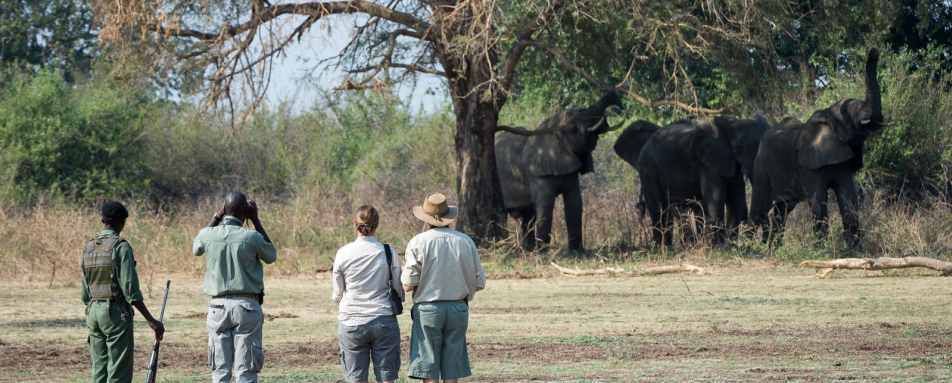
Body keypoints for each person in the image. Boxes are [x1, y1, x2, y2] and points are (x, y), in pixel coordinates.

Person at [193, 192, 277, 383]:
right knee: (246, 371)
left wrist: (215, 217)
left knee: (220, 371)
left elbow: (196, 247)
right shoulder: (252, 237)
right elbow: (271, 255)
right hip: (246, 306)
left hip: (217, 308)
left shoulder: (208, 234)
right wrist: (255, 219)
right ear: (244, 212)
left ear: (224, 210)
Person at [402, 193, 486, 382]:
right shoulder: (465, 241)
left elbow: (408, 284)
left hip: (428, 309)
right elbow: (479, 282)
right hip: (458, 308)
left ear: (426, 219)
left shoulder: (417, 242)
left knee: (428, 365)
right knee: (452, 366)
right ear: (448, 217)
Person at [82, 200, 165, 383]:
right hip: (115, 314)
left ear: (103, 220)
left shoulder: (89, 247)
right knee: (118, 372)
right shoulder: (121, 247)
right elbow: (131, 292)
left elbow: (84, 292)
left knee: (99, 371)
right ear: (121, 222)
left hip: (93, 312)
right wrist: (152, 321)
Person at [332, 205, 404, 383]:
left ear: (354, 225)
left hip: (351, 321)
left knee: (355, 378)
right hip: (383, 318)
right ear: (376, 225)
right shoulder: (388, 251)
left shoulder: (343, 253)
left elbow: (337, 294)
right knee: (387, 377)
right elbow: (398, 287)